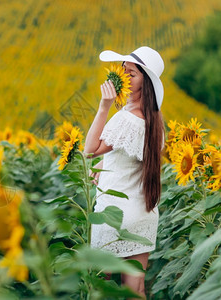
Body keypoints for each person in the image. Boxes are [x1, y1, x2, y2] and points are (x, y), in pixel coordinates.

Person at [83, 46, 165, 298]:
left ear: (146, 84)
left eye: (132, 74)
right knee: (136, 289)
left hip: (114, 215)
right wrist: (101, 167)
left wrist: (103, 106)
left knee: (101, 285)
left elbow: (89, 149)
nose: (125, 77)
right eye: (124, 71)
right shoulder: (155, 122)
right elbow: (127, 159)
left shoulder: (126, 119)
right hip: (143, 214)